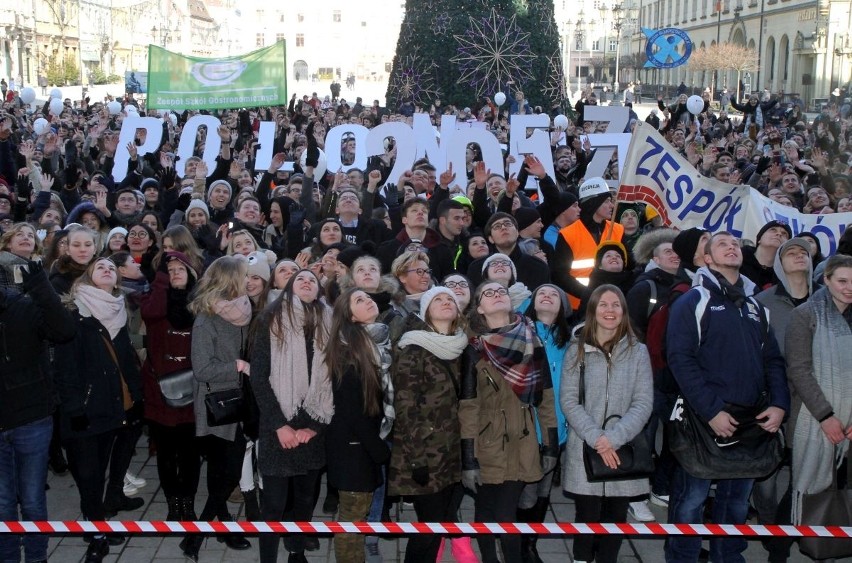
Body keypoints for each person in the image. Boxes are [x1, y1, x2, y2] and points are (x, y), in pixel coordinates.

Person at [665, 232, 790, 563]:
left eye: (735, 244)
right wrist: (711, 411)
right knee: (691, 499)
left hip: (750, 422)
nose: (732, 247)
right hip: (703, 420)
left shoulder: (755, 307)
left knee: (736, 501)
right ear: (706, 258)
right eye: (721, 244)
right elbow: (680, 359)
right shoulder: (693, 300)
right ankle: (682, 558)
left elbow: (773, 361)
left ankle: (727, 557)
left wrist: (779, 404)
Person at [460, 281, 559, 563]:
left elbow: (547, 398)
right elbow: (468, 407)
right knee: (484, 513)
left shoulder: (532, 340)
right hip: (487, 443)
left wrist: (550, 447)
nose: (496, 295)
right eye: (487, 293)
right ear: (479, 307)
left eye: (500, 291)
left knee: (505, 515)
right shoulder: (474, 348)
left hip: (523, 442)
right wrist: (468, 459)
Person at [54, 258, 144, 563]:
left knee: (96, 474)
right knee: (88, 474)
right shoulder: (74, 312)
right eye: (99, 267)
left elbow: (126, 362)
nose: (106, 269)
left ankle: (95, 524)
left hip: (111, 408)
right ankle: (95, 533)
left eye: (110, 267)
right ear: (87, 279)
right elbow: (64, 367)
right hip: (81, 412)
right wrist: (74, 406)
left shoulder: (120, 310)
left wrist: (134, 399)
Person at [561, 284, 653, 563]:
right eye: (603, 304)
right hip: (586, 446)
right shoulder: (577, 350)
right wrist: (597, 438)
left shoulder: (639, 352)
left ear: (624, 311)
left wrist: (614, 438)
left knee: (616, 516)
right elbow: (569, 400)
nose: (609, 310)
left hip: (623, 448)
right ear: (592, 310)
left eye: (616, 305)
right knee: (585, 515)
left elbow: (643, 402)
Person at [252, 269, 333, 563]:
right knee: (273, 504)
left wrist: (314, 428)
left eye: (313, 279)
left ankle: (296, 552)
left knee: (305, 499)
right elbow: (258, 378)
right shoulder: (270, 320)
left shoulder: (330, 323)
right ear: (288, 289)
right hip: (278, 424)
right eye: (300, 278)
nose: (307, 282)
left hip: (312, 423)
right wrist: (280, 426)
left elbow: (333, 381)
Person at [0, 259, 75, 563]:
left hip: (32, 419)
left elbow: (65, 330)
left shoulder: (26, 306)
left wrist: (42, 287)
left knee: (31, 500)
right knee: (3, 503)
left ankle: (36, 558)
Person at [388, 286, 470, 563]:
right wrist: (417, 459)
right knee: (429, 525)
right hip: (424, 454)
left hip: (453, 452)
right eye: (438, 299)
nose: (446, 302)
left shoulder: (461, 345)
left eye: (451, 299)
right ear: (425, 311)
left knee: (441, 522)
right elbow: (406, 407)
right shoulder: (414, 348)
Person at [185, 255, 253, 560]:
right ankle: (198, 534)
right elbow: (201, 369)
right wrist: (237, 366)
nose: (250, 281)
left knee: (224, 469)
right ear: (230, 280)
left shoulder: (244, 311)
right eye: (245, 276)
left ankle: (221, 521)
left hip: (241, 403)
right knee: (225, 471)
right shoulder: (206, 319)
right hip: (217, 406)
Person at [785, 254, 852, 532]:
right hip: (813, 419)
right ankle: (780, 550)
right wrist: (827, 416)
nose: (849, 287)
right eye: (842, 281)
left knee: (844, 490)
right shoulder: (805, 315)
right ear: (826, 280)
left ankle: (833, 546)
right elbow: (799, 371)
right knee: (805, 489)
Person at [325, 288, 391, 563]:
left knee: (357, 518)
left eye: (368, 297)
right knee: (351, 522)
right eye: (360, 300)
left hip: (364, 444)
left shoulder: (375, 343)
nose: (369, 301)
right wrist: (379, 450)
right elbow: (352, 409)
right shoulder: (346, 351)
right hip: (354, 449)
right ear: (349, 315)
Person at [137, 252, 200, 532]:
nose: (175, 273)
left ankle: (188, 503)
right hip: (159, 390)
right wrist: (161, 281)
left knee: (189, 453)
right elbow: (150, 313)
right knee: (165, 452)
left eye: (180, 269)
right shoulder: (157, 300)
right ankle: (173, 504)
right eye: (170, 270)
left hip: (192, 390)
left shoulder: (200, 302)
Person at [518, 284, 572, 562]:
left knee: (543, 491)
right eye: (541, 293)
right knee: (525, 491)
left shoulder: (571, 341)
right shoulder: (520, 333)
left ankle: (530, 543)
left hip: (557, 429)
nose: (548, 296)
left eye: (554, 295)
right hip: (526, 428)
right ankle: (518, 545)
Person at [552, 178, 624, 311]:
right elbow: (559, 274)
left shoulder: (618, 230)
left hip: (613, 302)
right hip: (578, 306)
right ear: (594, 203)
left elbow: (628, 267)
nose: (612, 206)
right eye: (607, 201)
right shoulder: (568, 234)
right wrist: (589, 294)